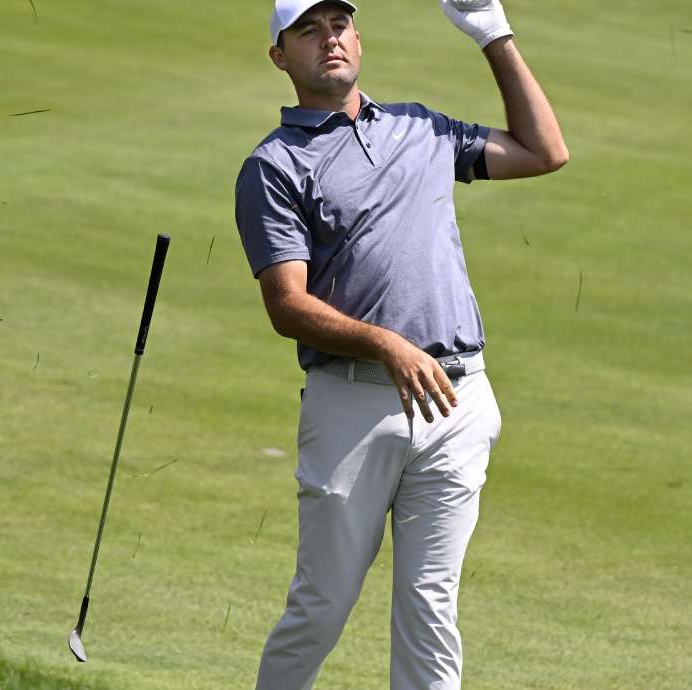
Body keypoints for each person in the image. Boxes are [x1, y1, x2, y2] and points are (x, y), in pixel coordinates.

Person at [234, 1, 567, 687]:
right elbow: (287, 305)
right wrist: (386, 343)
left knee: (430, 607)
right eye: (307, 30)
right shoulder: (274, 166)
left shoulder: (422, 128)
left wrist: (493, 33)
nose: (329, 39)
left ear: (358, 38)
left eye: (338, 25)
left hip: (456, 401)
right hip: (353, 406)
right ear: (280, 57)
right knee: (321, 606)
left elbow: (544, 152)